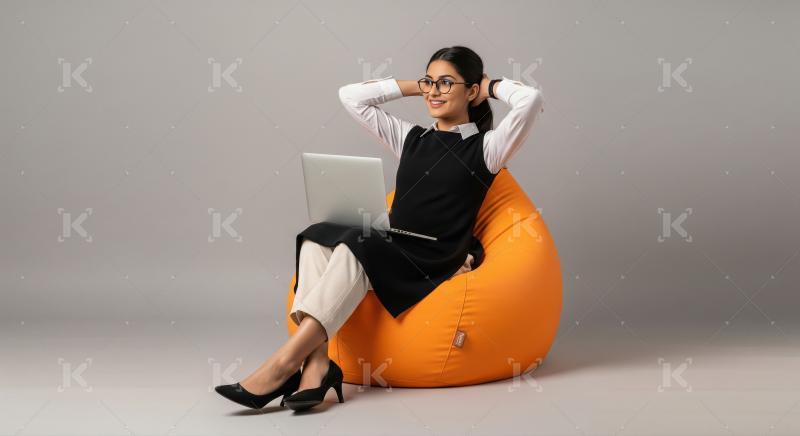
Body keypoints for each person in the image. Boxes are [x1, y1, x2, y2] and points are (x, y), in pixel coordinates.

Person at [215, 45, 544, 412]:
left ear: (471, 91)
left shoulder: (488, 148)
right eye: (429, 82)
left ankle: (284, 362)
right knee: (317, 237)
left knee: (359, 244)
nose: (433, 91)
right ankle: (318, 365)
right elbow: (351, 97)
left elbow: (531, 100)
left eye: (446, 83)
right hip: (394, 244)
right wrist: (415, 87)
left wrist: (491, 85)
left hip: (434, 255)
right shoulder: (410, 138)